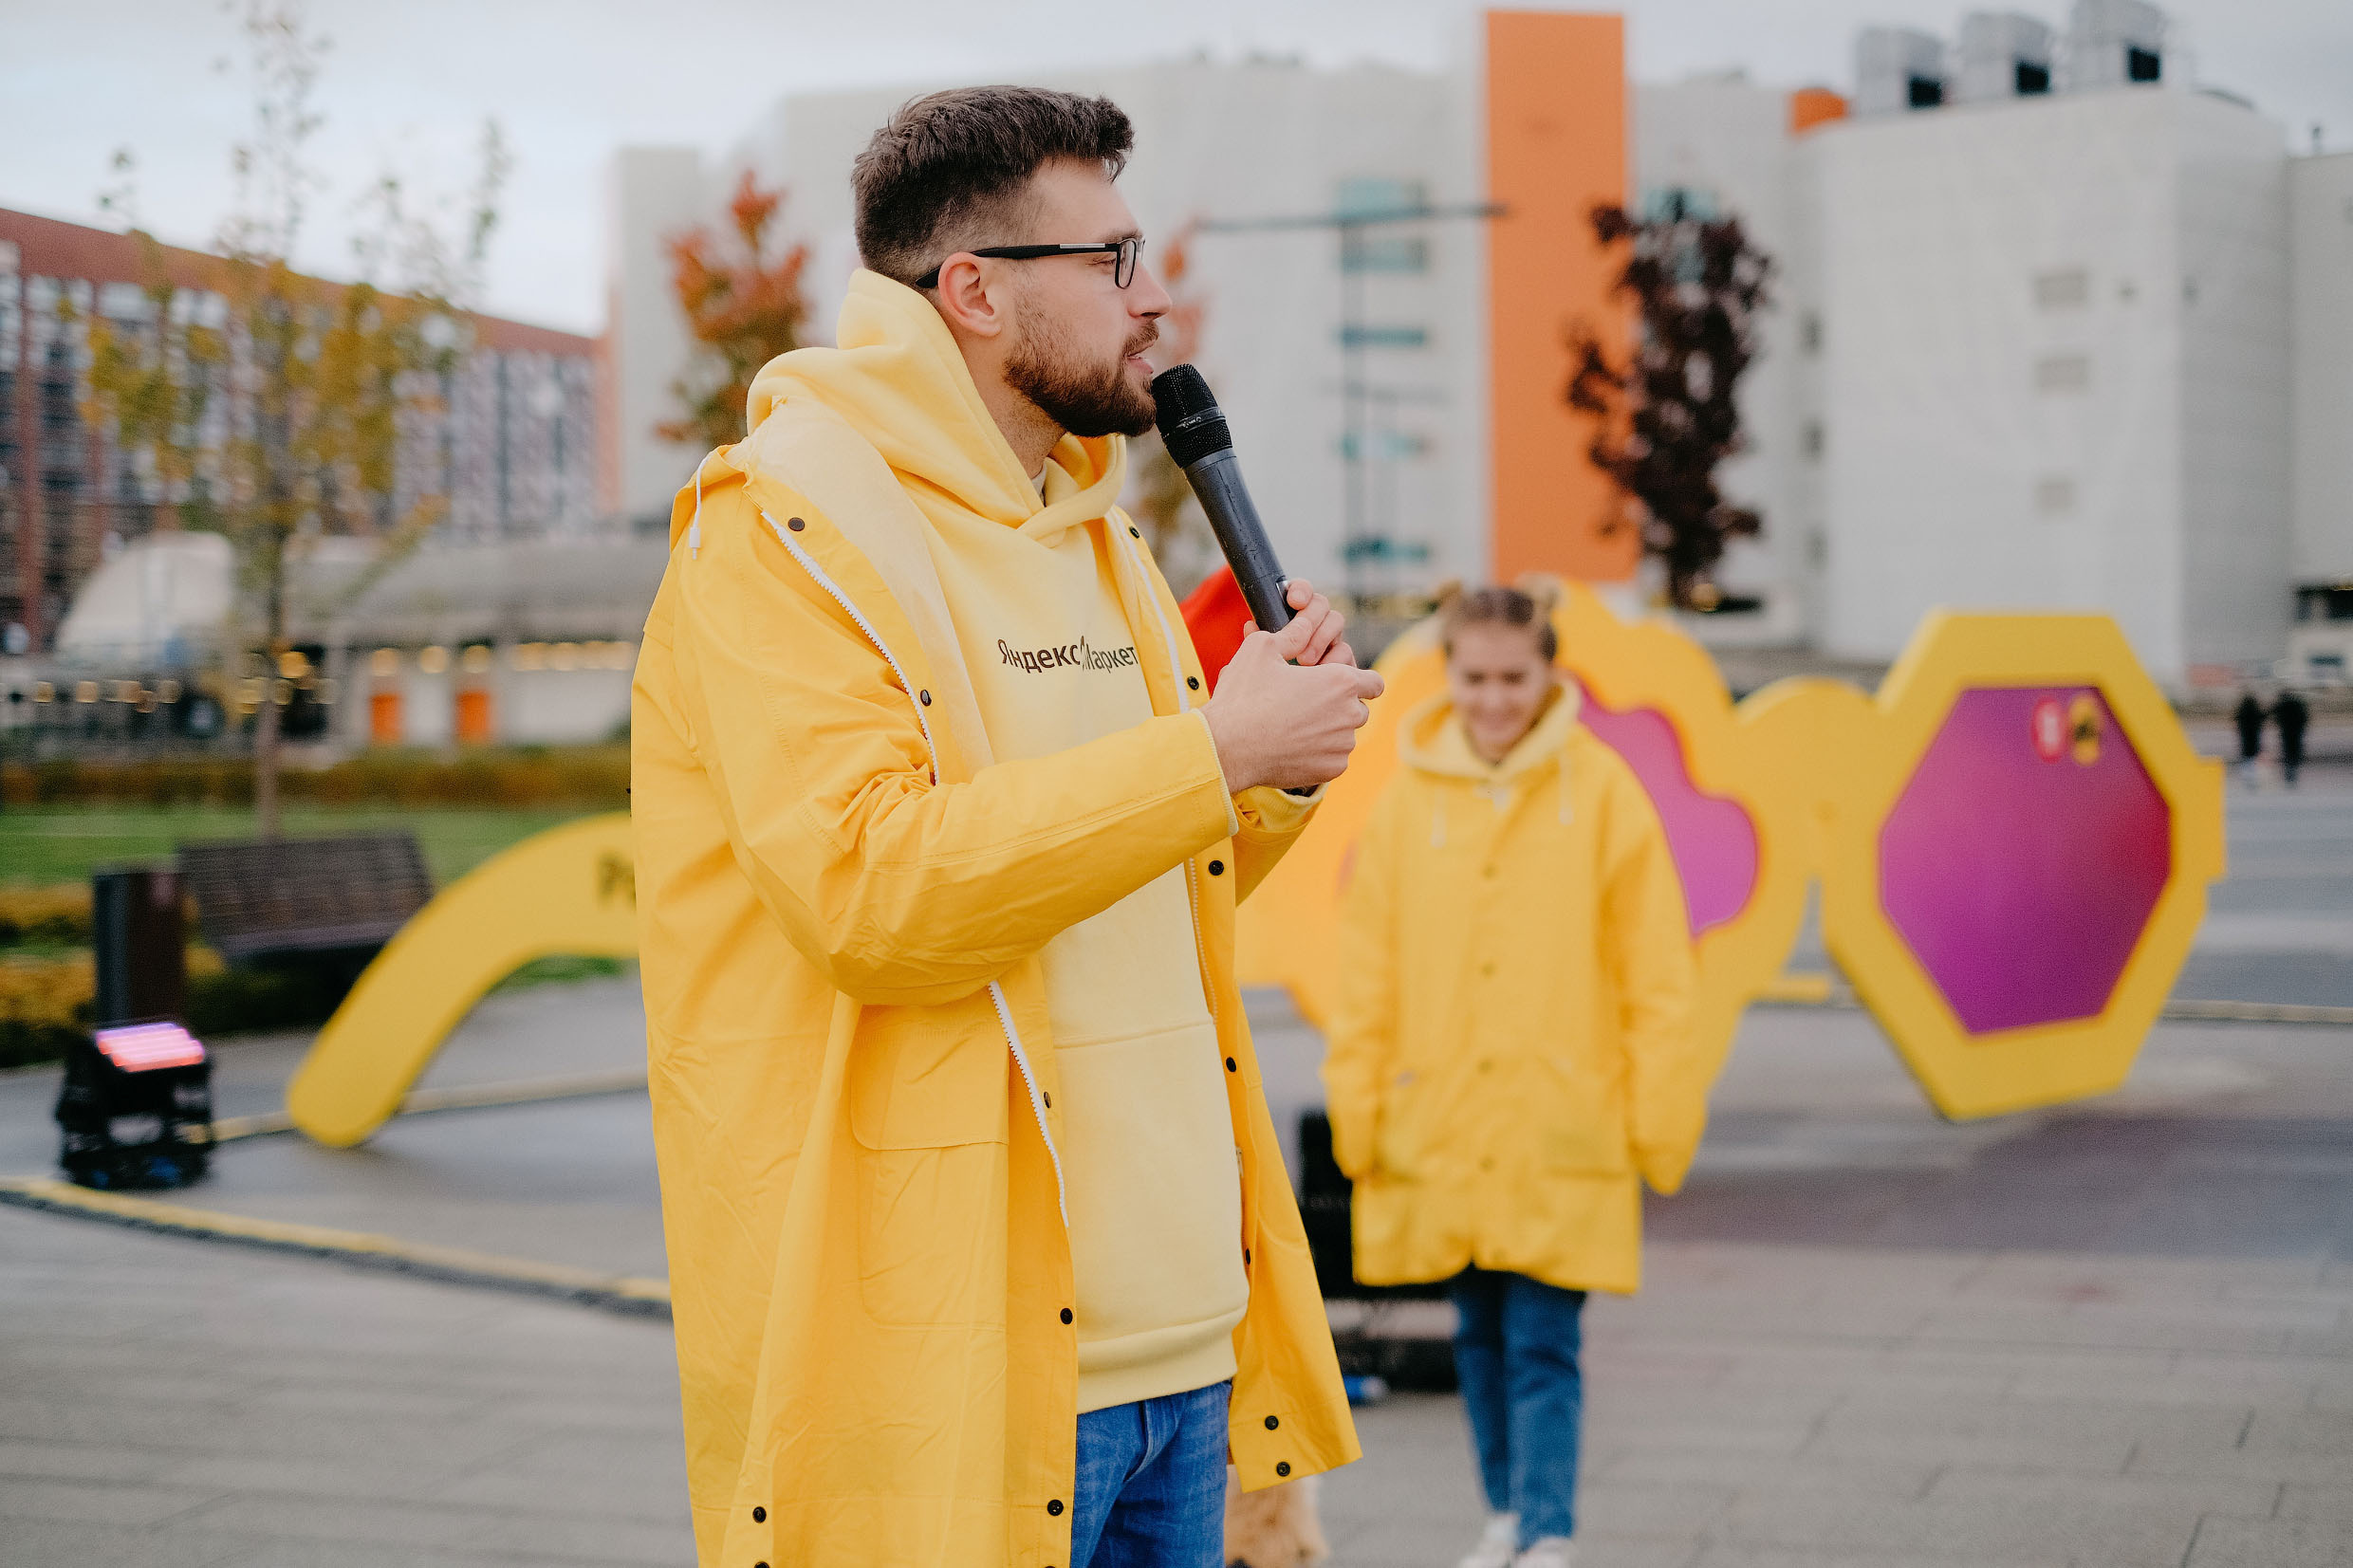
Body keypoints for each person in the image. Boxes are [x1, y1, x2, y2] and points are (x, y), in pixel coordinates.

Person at [630, 86, 1382, 1568]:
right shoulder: (780, 526)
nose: (1152, 297)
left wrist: (1265, 771)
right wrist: (1209, 749)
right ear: (970, 291)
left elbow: (1158, 877)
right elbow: (872, 894)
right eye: (1110, 260)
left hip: (1184, 1347)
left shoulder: (1095, 528)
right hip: (951, 1369)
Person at [1322, 586, 1706, 1568]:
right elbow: (1366, 969)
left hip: (1555, 1127)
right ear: (1446, 676)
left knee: (1541, 1343)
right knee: (1477, 1341)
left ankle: (1547, 1533)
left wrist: (1653, 1118)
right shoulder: (1406, 802)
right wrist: (1359, 1109)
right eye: (1474, 677)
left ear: (1547, 678)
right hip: (1443, 1125)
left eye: (1512, 678)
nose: (1493, 699)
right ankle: (1503, 1517)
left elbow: (1654, 969)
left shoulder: (1603, 792)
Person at [2274, 688, 2309, 786]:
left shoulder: (2282, 705)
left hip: (2286, 732)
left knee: (2287, 752)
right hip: (2296, 732)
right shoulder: (2297, 704)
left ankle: (2289, 774)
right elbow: (2304, 718)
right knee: (2295, 752)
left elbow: (2275, 715)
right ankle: (2293, 773)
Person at [2233, 691, 2266, 780]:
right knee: (2253, 754)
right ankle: (2252, 773)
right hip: (2254, 735)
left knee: (2246, 754)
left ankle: (2246, 773)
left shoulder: (2242, 710)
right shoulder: (2256, 710)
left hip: (2245, 735)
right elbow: (2262, 718)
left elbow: (2237, 719)